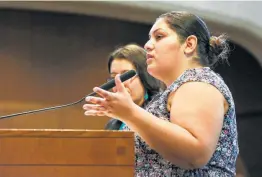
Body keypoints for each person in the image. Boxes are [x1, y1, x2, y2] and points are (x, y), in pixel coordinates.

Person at [83, 11, 239, 176]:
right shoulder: (180, 88)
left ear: (189, 44)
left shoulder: (198, 82)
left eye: (159, 37)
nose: (147, 45)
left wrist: (130, 113)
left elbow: (194, 154)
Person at [103, 44, 163, 130]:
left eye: (126, 76)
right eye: (113, 78)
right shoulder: (112, 124)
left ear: (145, 76)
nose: (119, 83)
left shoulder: (161, 110)